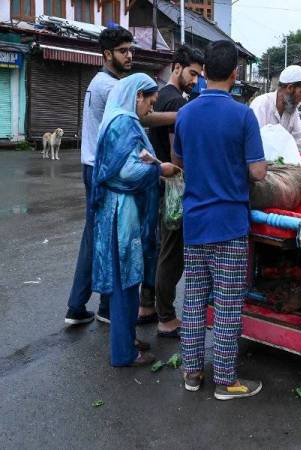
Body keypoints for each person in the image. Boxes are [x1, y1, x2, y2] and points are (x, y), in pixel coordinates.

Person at [64, 27, 178, 327]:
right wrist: (181, 116)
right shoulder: (110, 87)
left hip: (99, 165)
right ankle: (88, 305)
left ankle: (94, 305)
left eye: (131, 50)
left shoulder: (106, 82)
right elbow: (141, 117)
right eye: (123, 51)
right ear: (107, 55)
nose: (129, 56)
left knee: (100, 235)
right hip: (104, 169)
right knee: (103, 237)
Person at [171, 40, 266, 399]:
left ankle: (192, 373)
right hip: (229, 225)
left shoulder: (186, 114)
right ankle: (226, 381)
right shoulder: (243, 115)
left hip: (194, 223)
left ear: (205, 72)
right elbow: (257, 172)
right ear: (235, 74)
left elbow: (178, 164)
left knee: (194, 299)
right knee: (226, 303)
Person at [91, 73, 180, 367]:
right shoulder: (124, 122)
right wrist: (159, 169)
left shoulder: (117, 117)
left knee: (126, 281)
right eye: (150, 103)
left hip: (118, 210)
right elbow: (127, 172)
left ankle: (127, 340)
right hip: (122, 212)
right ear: (137, 96)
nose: (150, 111)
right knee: (125, 284)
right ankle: (123, 354)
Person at [138, 45, 204, 338]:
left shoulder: (160, 97)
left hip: (159, 182)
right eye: (192, 73)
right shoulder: (175, 101)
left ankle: (147, 305)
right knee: (171, 252)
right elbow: (180, 153)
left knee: (158, 247)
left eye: (199, 75)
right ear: (176, 67)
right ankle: (166, 317)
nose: (195, 80)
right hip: (173, 183)